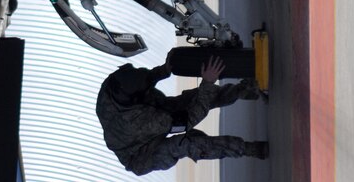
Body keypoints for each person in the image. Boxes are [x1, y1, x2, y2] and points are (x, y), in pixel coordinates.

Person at [96, 54, 268, 174]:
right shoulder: (141, 122)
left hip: (146, 112)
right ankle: (247, 149)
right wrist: (207, 84)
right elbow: (189, 120)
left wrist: (164, 70)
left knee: (192, 98)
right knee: (187, 143)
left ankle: (248, 89)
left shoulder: (114, 85)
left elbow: (144, 78)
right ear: (136, 99)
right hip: (143, 155)